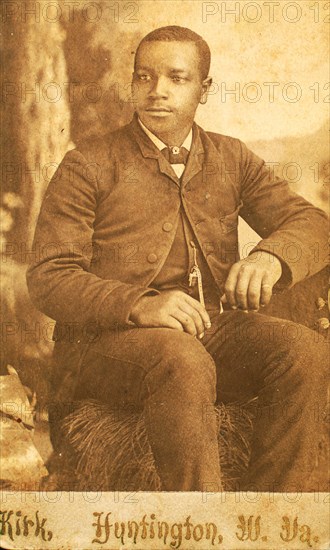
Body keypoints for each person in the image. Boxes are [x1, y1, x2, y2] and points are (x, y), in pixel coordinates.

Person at [27, 26, 328, 492]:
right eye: (144, 77)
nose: (157, 91)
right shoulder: (87, 163)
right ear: (131, 84)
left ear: (203, 89)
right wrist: (140, 303)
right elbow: (49, 277)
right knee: (180, 357)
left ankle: (270, 514)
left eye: (176, 78)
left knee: (303, 352)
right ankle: (199, 525)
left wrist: (271, 256)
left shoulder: (231, 157)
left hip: (207, 333)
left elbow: (312, 223)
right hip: (102, 348)